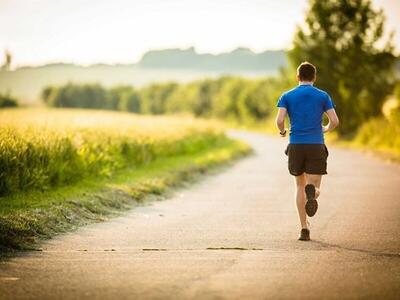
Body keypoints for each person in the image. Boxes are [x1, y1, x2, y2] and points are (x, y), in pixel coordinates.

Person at [275, 61, 339, 241]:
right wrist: (325, 129)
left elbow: (279, 120)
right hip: (316, 144)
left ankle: (304, 228)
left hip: (296, 145)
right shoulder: (322, 96)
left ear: (298, 77)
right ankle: (314, 193)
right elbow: (334, 121)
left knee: (299, 186)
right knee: (315, 186)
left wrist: (282, 131)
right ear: (314, 77)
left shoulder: (287, 95)